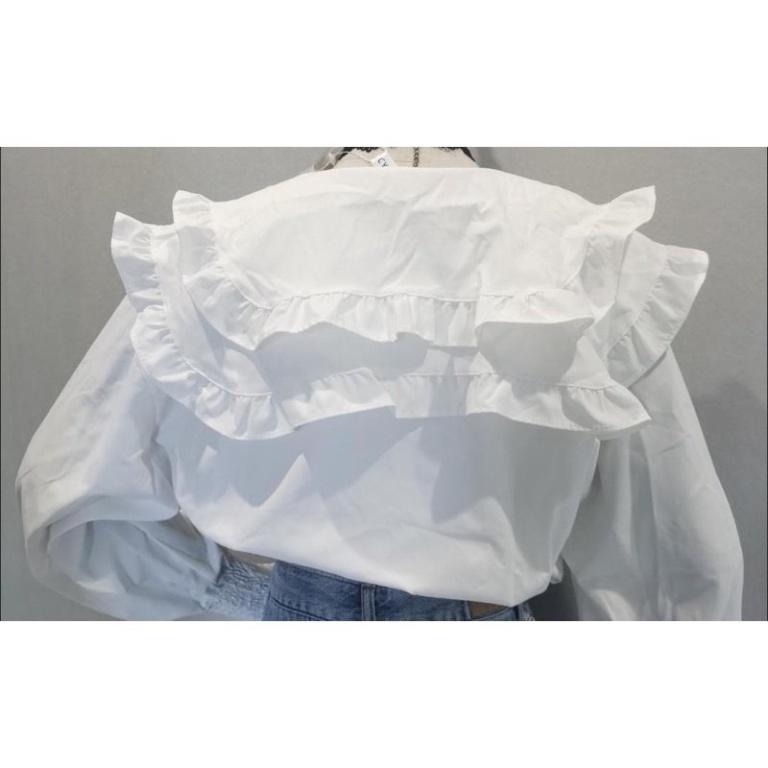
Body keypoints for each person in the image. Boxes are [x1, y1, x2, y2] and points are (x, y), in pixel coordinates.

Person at [15, 147, 743, 620]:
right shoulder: (581, 253)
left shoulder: (211, 255)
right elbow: (673, 549)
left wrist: (219, 592)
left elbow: (65, 488)